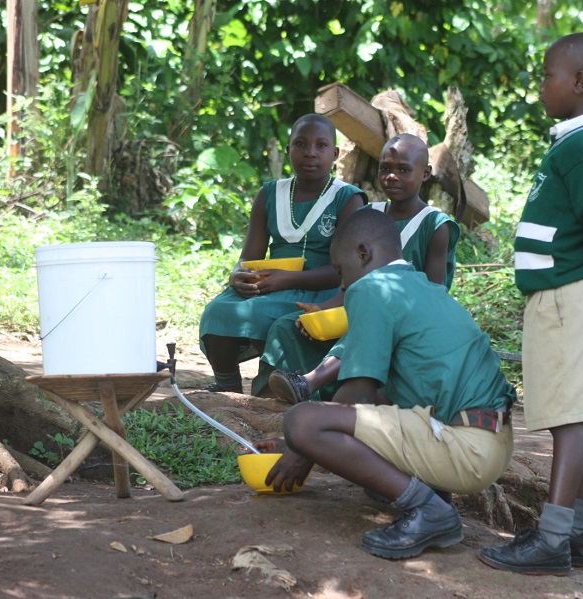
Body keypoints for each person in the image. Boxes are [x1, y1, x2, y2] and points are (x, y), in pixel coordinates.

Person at [476, 32, 583, 576]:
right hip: (567, 298)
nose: (541, 86)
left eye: (547, 76)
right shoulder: (573, 142)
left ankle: (552, 539)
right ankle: (579, 536)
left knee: (569, 420)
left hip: (566, 300)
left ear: (578, 82)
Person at [255, 208, 515, 560]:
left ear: (363, 253)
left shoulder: (371, 289)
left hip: (466, 450)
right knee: (382, 395)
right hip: (492, 442)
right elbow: (379, 395)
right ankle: (433, 490)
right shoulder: (421, 286)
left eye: (340, 270)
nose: (342, 284)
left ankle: (430, 511)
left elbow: (355, 394)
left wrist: (300, 447)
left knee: (303, 420)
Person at [254, 133, 460, 402]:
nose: (392, 177)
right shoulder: (368, 214)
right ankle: (265, 401)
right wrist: (323, 309)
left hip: (407, 321)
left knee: (367, 328)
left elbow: (432, 298)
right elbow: (351, 280)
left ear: (426, 173)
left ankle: (309, 385)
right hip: (357, 310)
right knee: (288, 327)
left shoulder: (436, 226)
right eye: (385, 169)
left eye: (404, 170)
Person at [198, 114, 367, 393]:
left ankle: (275, 386)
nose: (310, 152)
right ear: (288, 149)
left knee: (277, 321)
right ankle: (228, 386)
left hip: (321, 288)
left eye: (321, 145)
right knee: (217, 311)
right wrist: (237, 274)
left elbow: (342, 271)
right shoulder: (269, 194)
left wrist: (288, 279)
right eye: (300, 144)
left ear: (335, 154)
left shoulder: (347, 199)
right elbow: (248, 255)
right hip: (271, 282)